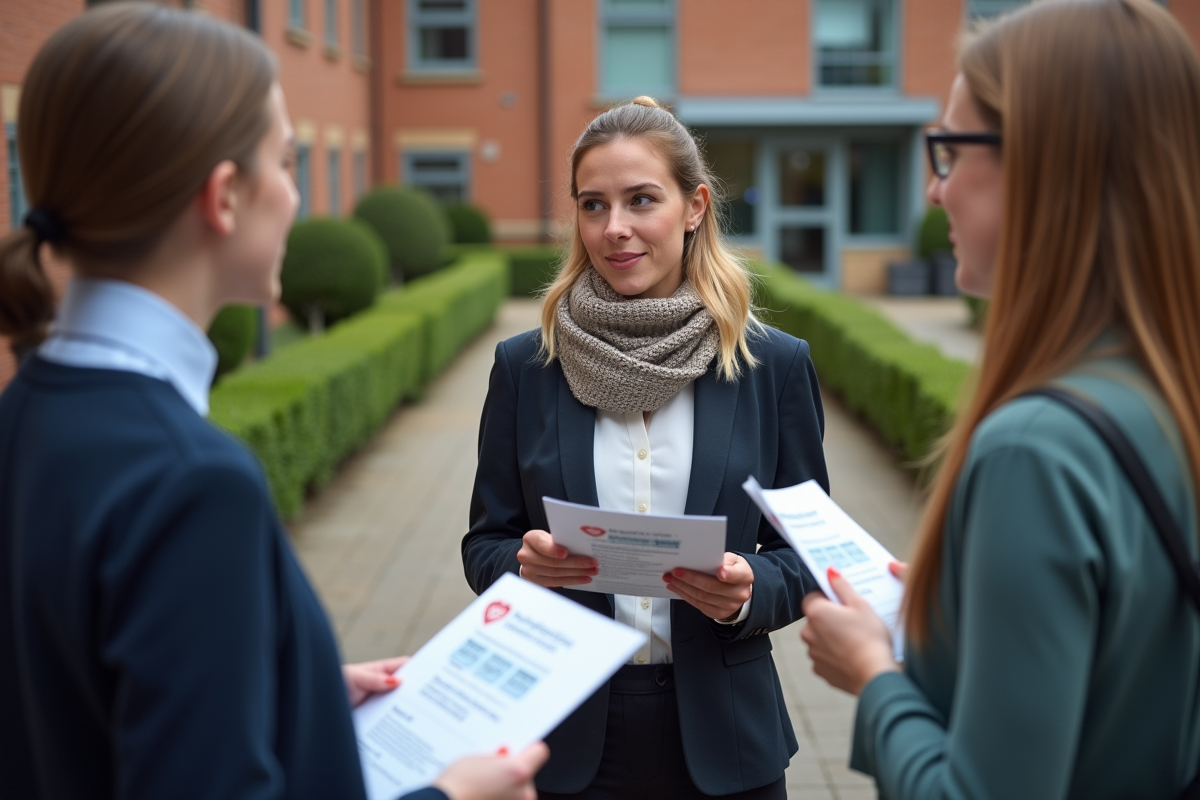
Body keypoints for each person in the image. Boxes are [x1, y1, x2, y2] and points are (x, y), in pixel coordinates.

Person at [0, 5, 546, 799]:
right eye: (288, 163)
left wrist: (297, 692)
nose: (296, 196)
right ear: (224, 197)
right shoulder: (190, 482)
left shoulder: (30, 414)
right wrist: (452, 796)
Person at [799, 0, 1200, 797]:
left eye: (948, 150)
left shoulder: (1035, 451)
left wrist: (875, 675)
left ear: (1051, 164)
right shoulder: (1167, 391)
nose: (933, 192)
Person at [461, 96, 829, 799]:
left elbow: (811, 556)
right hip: (567, 739)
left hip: (727, 741)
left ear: (694, 207)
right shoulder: (525, 368)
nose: (615, 229)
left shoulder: (772, 367)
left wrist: (751, 593)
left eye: (641, 200)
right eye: (593, 205)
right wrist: (523, 565)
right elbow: (485, 545)